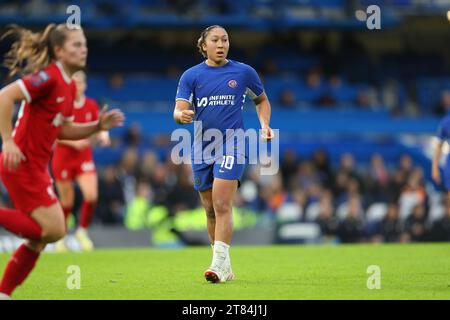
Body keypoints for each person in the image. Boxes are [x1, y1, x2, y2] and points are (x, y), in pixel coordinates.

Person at [0, 23, 124, 299]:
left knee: (41, 237)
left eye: (85, 44)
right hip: (21, 164)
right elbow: (5, 96)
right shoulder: (48, 77)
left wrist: (96, 125)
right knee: (54, 230)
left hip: (36, 168)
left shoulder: (67, 86)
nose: (84, 50)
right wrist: (7, 141)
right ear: (59, 50)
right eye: (76, 45)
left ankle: (4, 293)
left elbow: (63, 129)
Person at [173, 25, 273, 283]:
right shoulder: (191, 76)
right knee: (209, 210)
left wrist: (264, 125)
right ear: (203, 45)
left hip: (233, 144)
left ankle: (217, 265)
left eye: (225, 39)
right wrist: (181, 116)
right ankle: (224, 267)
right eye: (215, 40)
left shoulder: (243, 72)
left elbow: (261, 100)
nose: (221, 44)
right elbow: (178, 109)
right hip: (201, 147)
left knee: (221, 203)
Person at [51, 70, 111, 252]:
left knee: (91, 195)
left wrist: (104, 135)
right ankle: (61, 236)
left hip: (83, 157)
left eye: (80, 83)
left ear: (84, 85)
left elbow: (99, 125)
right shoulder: (62, 105)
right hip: (63, 157)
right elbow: (53, 133)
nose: (77, 86)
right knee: (67, 201)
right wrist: (74, 142)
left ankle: (82, 231)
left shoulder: (91, 105)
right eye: (73, 83)